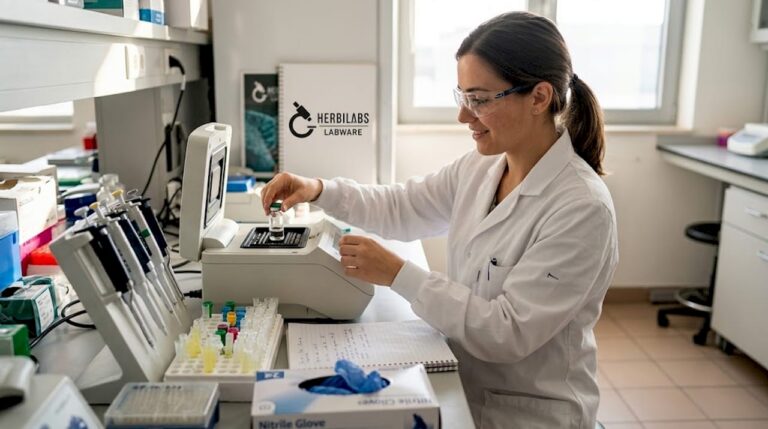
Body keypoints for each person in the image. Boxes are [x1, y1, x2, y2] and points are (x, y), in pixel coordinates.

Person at [262, 11, 618, 429]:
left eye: (480, 100)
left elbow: (508, 332)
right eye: (463, 97)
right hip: (466, 387)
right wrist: (320, 189)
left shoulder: (581, 208)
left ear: (539, 98)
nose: (464, 116)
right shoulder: (481, 169)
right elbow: (401, 205)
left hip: (531, 412)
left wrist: (399, 274)